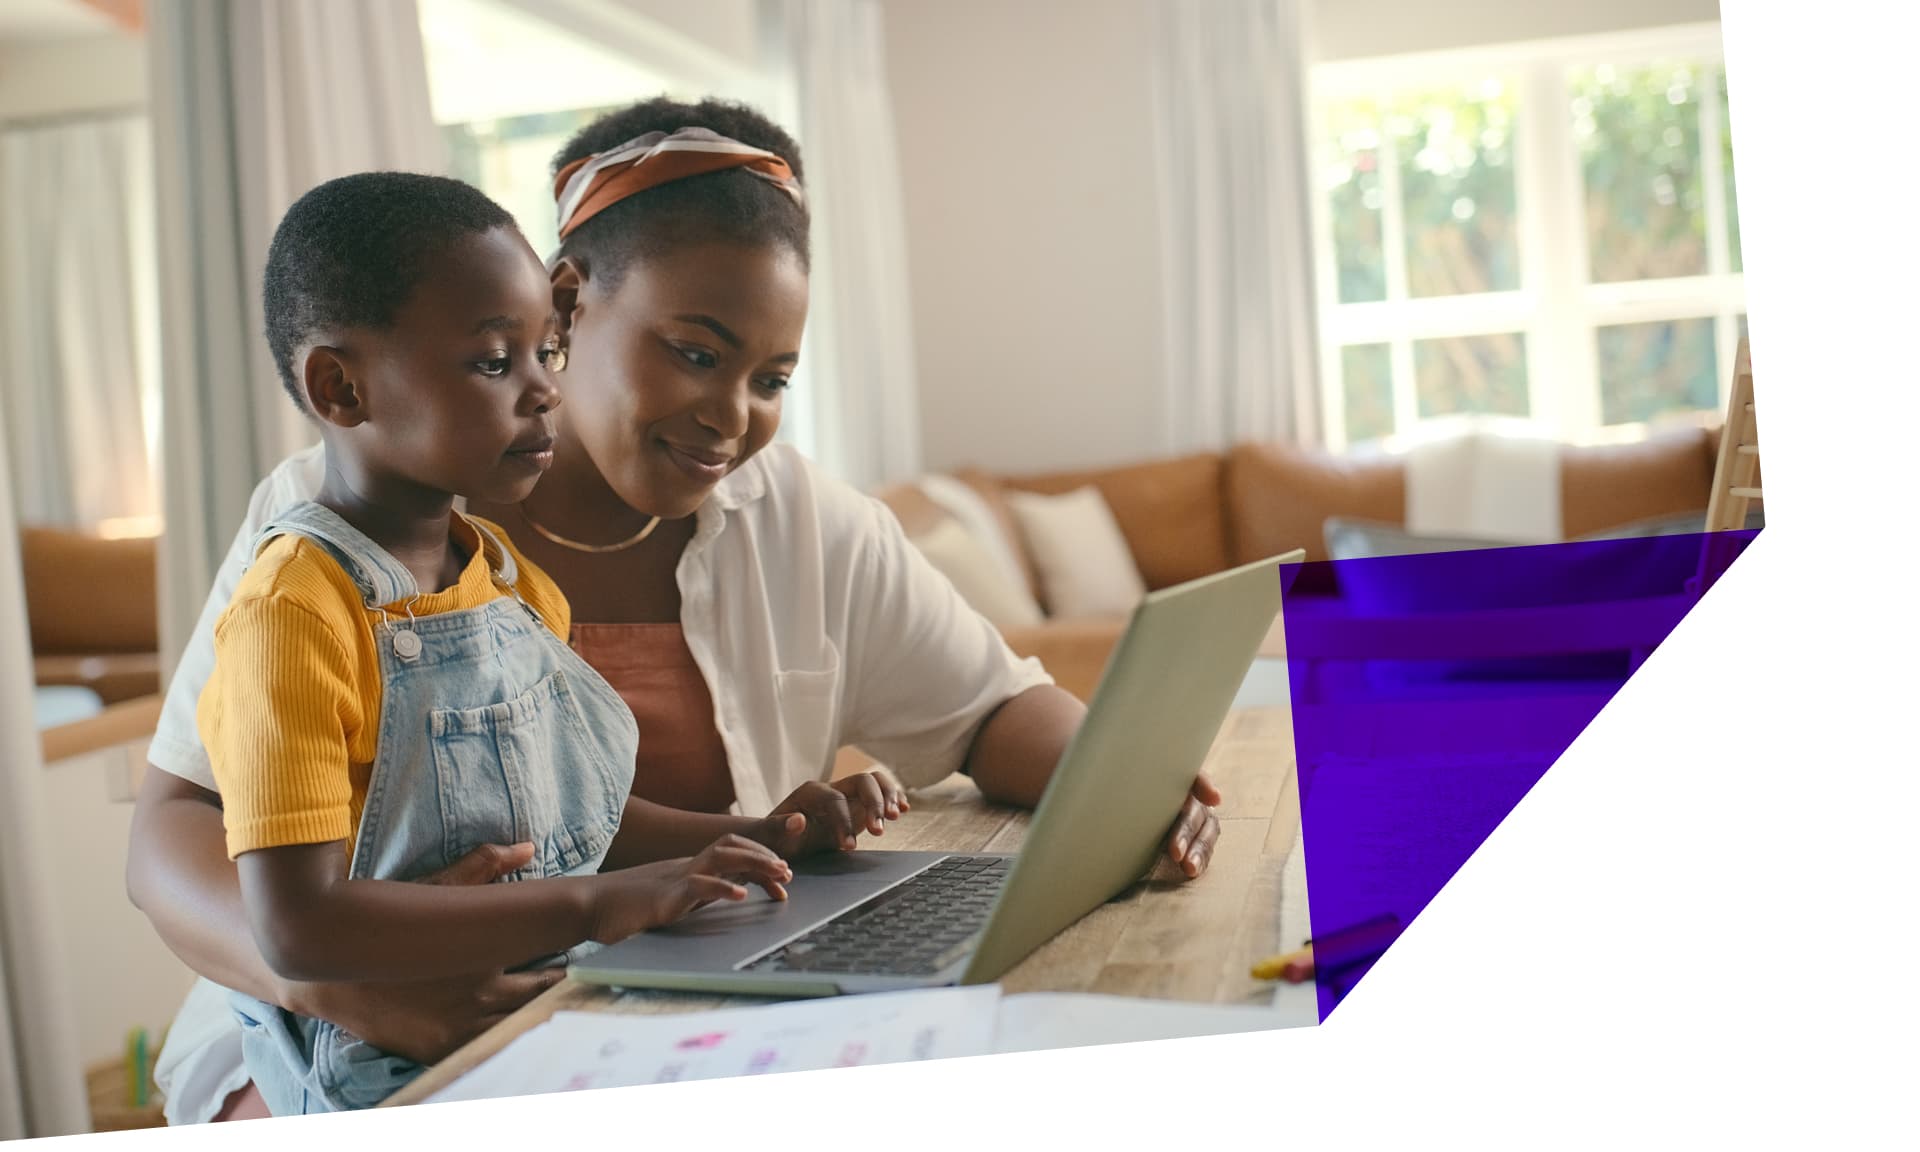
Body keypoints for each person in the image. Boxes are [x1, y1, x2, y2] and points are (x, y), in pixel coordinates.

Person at [127, 97, 1225, 1125]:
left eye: (771, 378)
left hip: (648, 1011)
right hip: (323, 1032)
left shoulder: (785, 519)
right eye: (695, 353)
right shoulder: (337, 528)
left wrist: (1131, 788)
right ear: (568, 300)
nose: (732, 418)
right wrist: (341, 991)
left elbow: (988, 709)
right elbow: (173, 833)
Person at [202, 171, 798, 1114]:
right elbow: (296, 926)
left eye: (548, 353)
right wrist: (601, 905)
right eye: (494, 363)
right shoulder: (294, 612)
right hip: (386, 1067)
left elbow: (569, 815)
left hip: (538, 1002)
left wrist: (752, 838)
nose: (546, 393)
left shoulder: (505, 578)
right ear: (341, 387)